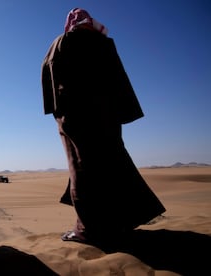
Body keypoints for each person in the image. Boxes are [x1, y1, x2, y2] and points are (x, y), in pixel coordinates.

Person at [41, 8, 166, 245]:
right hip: (107, 117)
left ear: (70, 24)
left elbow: (50, 74)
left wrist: (58, 112)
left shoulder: (62, 42)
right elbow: (120, 80)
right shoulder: (104, 44)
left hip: (76, 118)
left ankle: (87, 230)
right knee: (111, 163)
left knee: (82, 168)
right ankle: (117, 224)